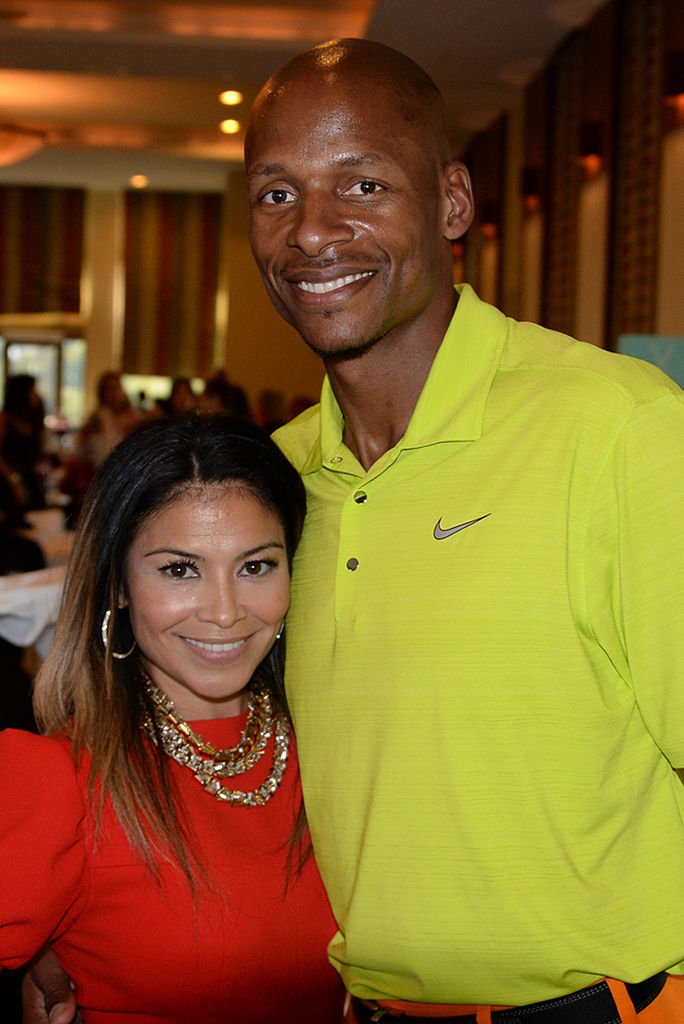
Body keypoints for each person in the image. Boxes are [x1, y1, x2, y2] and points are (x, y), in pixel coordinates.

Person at [27, 36, 684, 1024]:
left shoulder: (618, 427)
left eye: (364, 183)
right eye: (277, 194)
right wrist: (61, 927)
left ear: (453, 202)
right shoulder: (278, 485)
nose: (313, 233)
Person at [1, 414, 344, 1023]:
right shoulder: (59, 782)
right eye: (180, 569)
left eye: (256, 565)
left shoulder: (340, 743)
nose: (224, 612)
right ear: (118, 585)